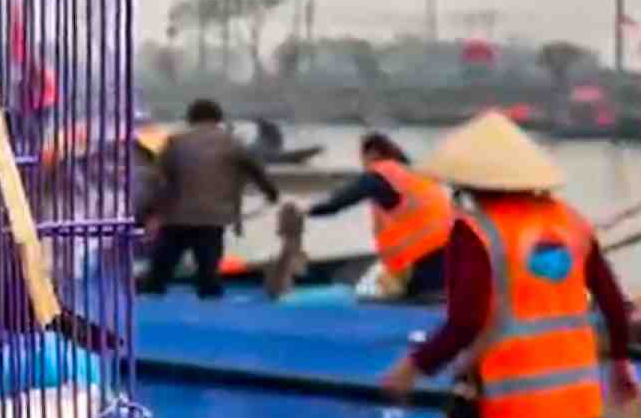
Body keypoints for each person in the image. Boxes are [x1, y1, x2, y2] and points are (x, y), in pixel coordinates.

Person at [380, 110, 641, 418]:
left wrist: (412, 368)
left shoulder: (475, 232)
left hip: (518, 403)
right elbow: (615, 304)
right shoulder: (570, 222)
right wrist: (620, 363)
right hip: (578, 397)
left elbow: (466, 322)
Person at [137, 99, 280, 298]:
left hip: (176, 218)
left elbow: (157, 180)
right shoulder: (232, 143)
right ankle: (211, 305)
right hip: (213, 218)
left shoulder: (175, 142)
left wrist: (146, 212)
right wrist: (272, 194)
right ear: (219, 118)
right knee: (208, 271)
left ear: (190, 119)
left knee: (159, 272)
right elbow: (257, 173)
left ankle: (148, 305)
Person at [306, 132, 456, 297]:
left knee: (417, 301)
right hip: (451, 252)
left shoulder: (382, 174)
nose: (363, 167)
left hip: (424, 257)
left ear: (372, 154)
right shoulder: (416, 175)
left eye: (362, 159)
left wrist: (303, 210)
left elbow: (335, 203)